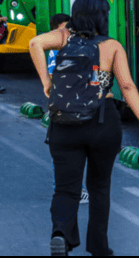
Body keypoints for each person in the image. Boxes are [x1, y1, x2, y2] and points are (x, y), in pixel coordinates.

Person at [29, 0, 139, 257]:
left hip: (64, 124)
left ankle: (61, 234)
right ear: (103, 16)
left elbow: (34, 43)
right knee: (99, 187)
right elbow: (128, 86)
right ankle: (98, 247)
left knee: (66, 188)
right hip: (102, 122)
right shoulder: (111, 46)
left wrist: (46, 83)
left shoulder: (63, 37)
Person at [46, 13, 90, 206]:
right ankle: (73, 191)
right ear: (56, 29)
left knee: (65, 151)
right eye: (64, 27)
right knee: (72, 151)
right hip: (67, 107)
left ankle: (64, 189)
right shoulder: (56, 49)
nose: (68, 31)